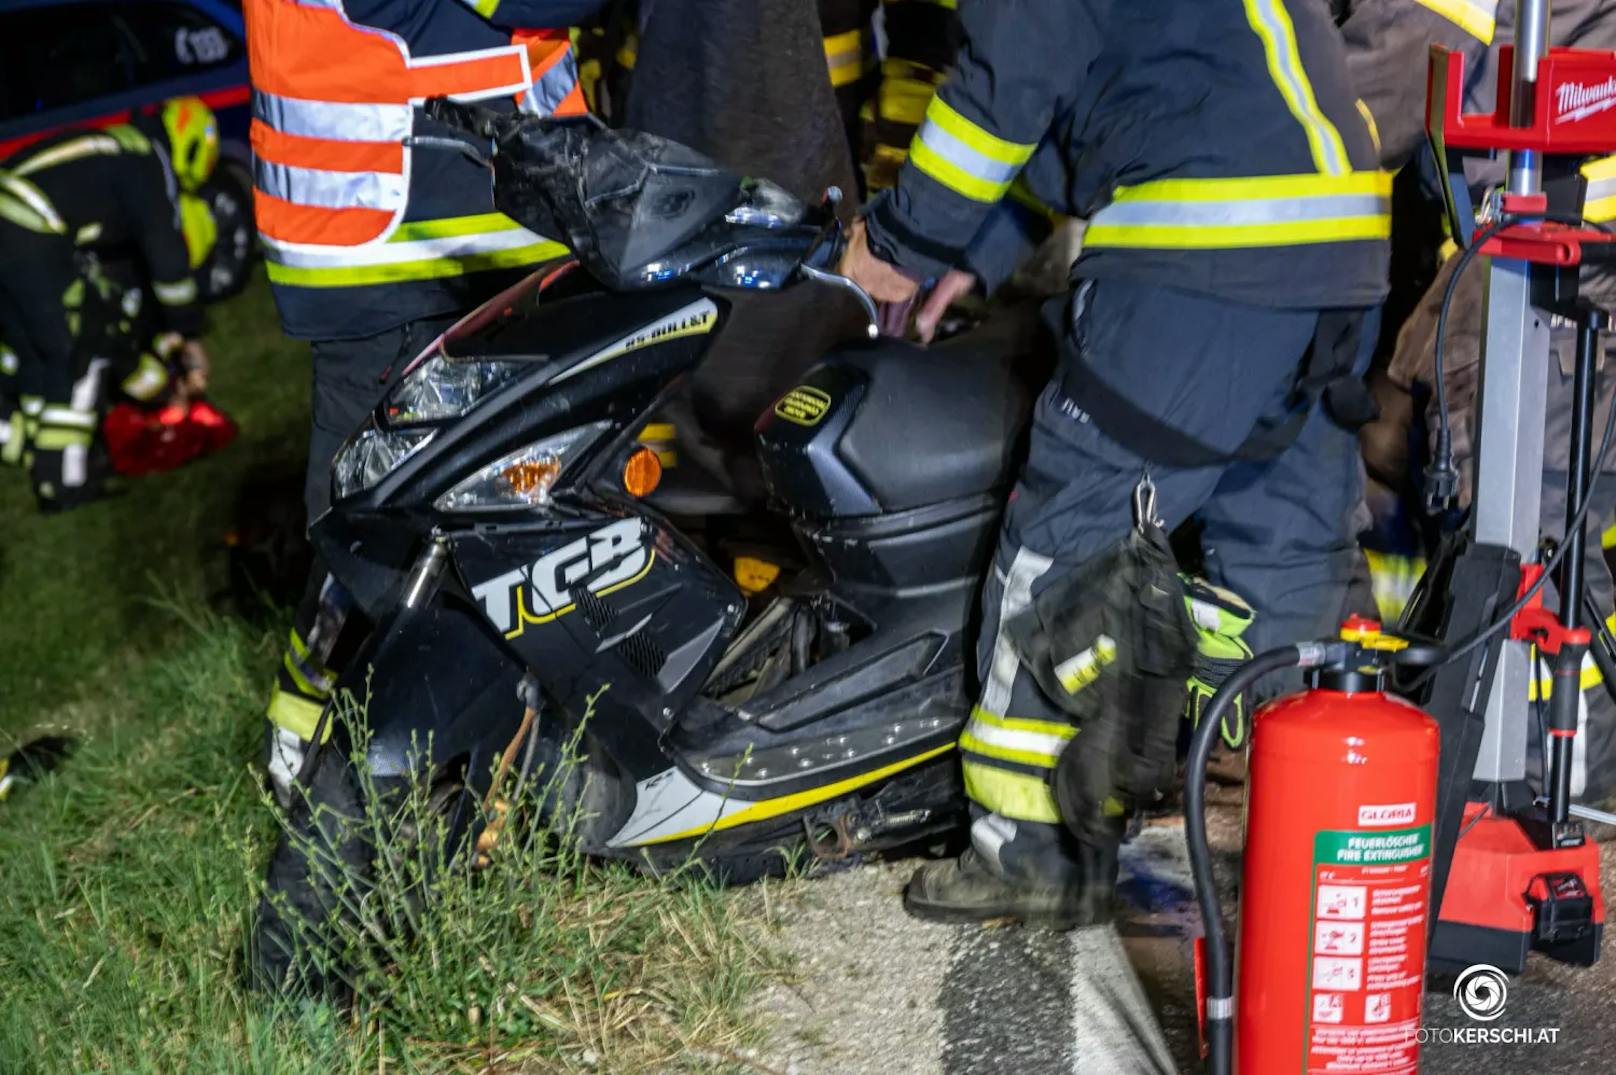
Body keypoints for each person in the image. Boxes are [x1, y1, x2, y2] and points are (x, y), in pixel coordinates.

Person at [840, 0, 1389, 924]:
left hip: (1206, 255)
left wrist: (899, 245)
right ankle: (1311, 855)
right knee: (1286, 551)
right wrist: (974, 254)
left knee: (1066, 536)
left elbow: (1001, 92)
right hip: (1334, 254)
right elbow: (1089, 102)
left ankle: (1031, 852)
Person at [246, 0, 606, 805]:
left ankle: (323, 743)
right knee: (387, 528)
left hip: (417, 232)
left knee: (417, 510)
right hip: (405, 242)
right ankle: (344, 767)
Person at [1343, 0, 1616, 808]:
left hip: (1551, 274)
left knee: (1528, 547)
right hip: (1568, 265)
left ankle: (1537, 785)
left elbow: (1352, 104)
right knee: (1554, 533)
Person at [0, 97, 217, 511]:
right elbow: (167, 258)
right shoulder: (148, 163)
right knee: (75, 351)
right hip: (28, 222)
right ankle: (62, 482)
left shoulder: (122, 147)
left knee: (36, 350)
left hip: (13, 218)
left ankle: (41, 452)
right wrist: (186, 329)